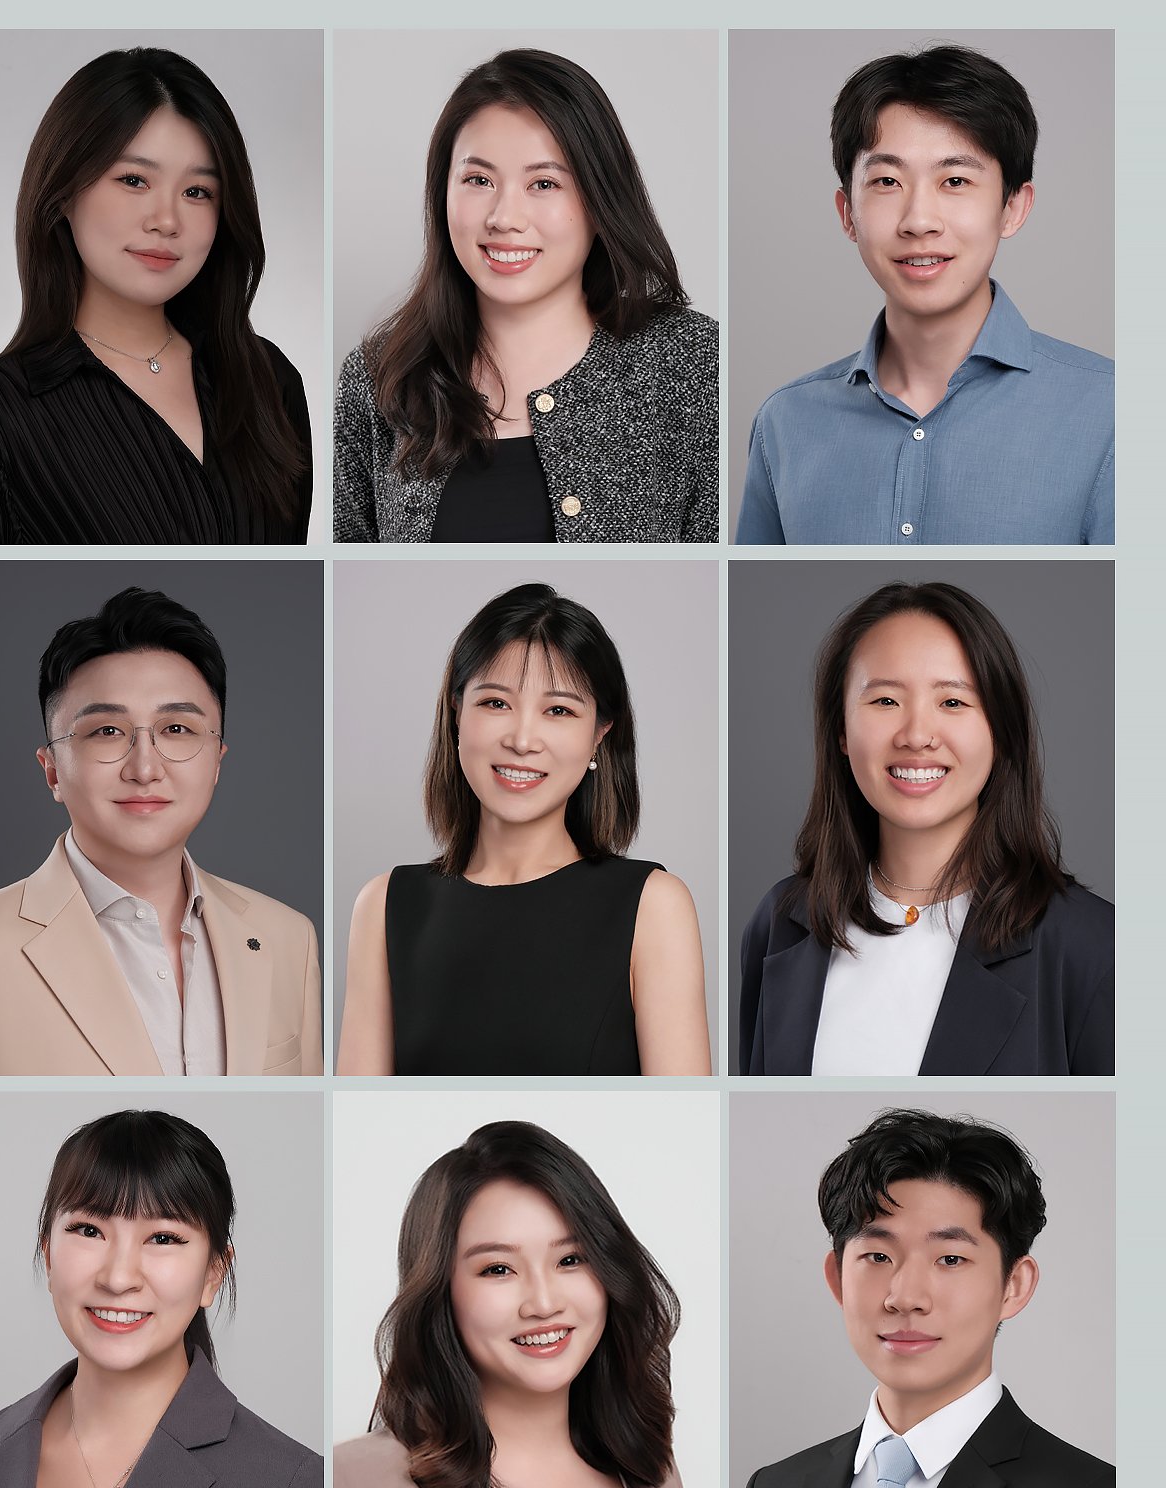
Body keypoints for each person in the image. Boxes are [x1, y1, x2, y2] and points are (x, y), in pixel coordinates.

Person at [0, 1110, 323, 1488]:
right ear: (48, 1253)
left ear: (213, 1273)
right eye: (89, 1230)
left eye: (163, 1238)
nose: (119, 1277)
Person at [333, 47, 717, 543]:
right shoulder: (377, 379)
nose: (504, 217)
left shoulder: (693, 364)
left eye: (544, 183)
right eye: (477, 180)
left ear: (600, 200)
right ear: (441, 193)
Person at [733, 1109, 1115, 1488]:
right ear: (837, 1279)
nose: (905, 1296)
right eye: (877, 1257)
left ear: (1014, 1285)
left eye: (950, 1259)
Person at [735, 44, 1113, 544]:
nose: (918, 221)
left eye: (955, 180)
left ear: (1013, 207)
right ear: (848, 213)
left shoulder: (1111, 411)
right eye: (887, 181)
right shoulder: (785, 423)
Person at [0, 587, 322, 1075]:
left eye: (177, 730)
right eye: (107, 731)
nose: (145, 768)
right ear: (52, 769)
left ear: (217, 761)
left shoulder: (287, 938)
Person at [0, 46, 312, 544]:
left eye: (197, 191)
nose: (167, 220)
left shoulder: (269, 381)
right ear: (64, 192)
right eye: (134, 180)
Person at [737, 581, 1113, 1075]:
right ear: (842, 732)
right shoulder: (783, 922)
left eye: (953, 703)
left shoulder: (1091, 945)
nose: (916, 735)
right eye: (886, 701)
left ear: (1001, 731)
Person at [338, 583, 710, 1075]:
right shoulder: (385, 904)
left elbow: (680, 1123)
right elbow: (361, 1118)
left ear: (601, 734)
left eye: (559, 710)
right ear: (456, 713)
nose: (521, 739)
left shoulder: (654, 904)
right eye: (495, 703)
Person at [334, 1120, 706, 1488]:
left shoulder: (651, 1469)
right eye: (498, 1269)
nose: (543, 1301)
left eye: (571, 1259)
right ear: (440, 1292)